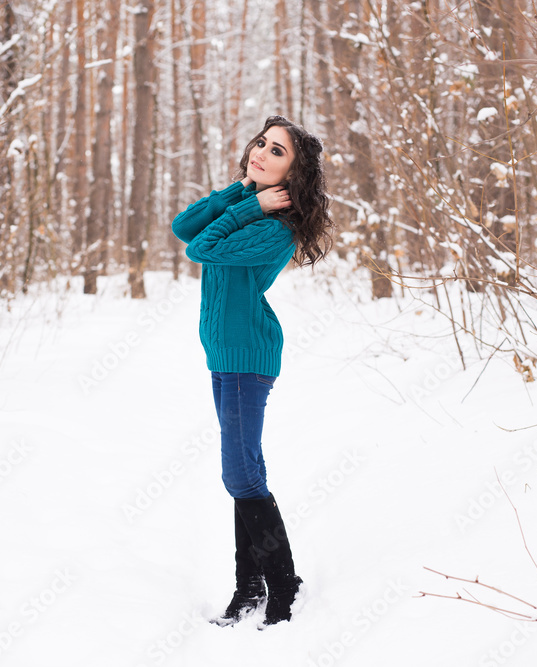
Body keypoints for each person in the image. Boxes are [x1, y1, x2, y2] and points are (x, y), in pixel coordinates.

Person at [171, 115, 334, 627]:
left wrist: (255, 204)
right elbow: (183, 226)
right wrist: (242, 190)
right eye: (261, 143)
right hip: (223, 354)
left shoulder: (276, 226)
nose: (261, 152)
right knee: (245, 472)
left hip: (248, 356)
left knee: (240, 474)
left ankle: (283, 584)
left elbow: (201, 248)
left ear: (295, 174)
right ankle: (250, 585)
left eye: (276, 151)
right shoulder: (251, 206)